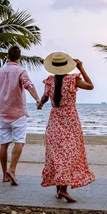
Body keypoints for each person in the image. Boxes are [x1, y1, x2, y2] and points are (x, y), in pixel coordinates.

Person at [37, 52, 95, 202]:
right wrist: (81, 68)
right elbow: (90, 86)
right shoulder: (72, 80)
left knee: (57, 155)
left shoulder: (50, 81)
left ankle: (59, 190)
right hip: (70, 120)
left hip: (55, 120)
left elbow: (45, 97)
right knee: (69, 154)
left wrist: (41, 104)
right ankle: (62, 190)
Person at [0, 46, 40, 185]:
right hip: (18, 113)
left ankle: (4, 174)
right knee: (19, 141)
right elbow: (28, 85)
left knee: (4, 144)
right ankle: (11, 169)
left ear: (7, 56)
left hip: (3, 113)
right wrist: (37, 99)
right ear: (19, 58)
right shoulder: (20, 71)